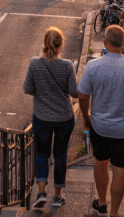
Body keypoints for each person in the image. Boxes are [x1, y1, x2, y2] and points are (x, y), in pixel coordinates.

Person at [78, 25, 124, 217]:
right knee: (120, 168)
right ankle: (114, 212)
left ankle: (102, 202)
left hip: (99, 126)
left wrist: (86, 117)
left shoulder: (93, 67)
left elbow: (83, 96)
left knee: (100, 162)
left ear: (105, 43)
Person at [23, 27, 78, 209]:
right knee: (60, 154)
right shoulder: (67, 65)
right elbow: (74, 93)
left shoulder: (34, 63)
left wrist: (42, 92)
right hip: (64, 117)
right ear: (61, 45)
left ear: (44, 43)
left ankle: (40, 193)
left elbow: (27, 89)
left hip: (42, 117)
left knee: (41, 153)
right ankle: (57, 196)